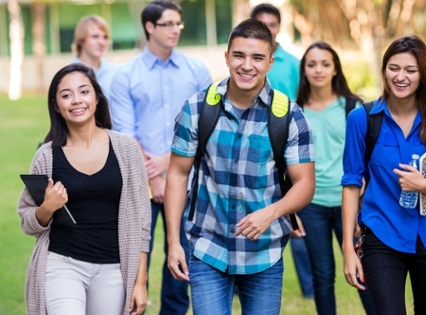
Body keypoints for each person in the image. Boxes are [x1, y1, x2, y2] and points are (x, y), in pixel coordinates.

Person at [163, 19, 315, 315]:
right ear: (227, 57)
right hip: (208, 248)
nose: (247, 66)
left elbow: (305, 184)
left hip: (265, 253)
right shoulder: (197, 108)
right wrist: (173, 242)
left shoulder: (289, 116)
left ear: (270, 62)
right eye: (239, 56)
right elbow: (178, 174)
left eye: (258, 57)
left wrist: (270, 213)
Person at [341, 35, 426, 315]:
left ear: (423, 74)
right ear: (384, 70)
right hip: (381, 234)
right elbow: (350, 183)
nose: (401, 76)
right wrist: (348, 248)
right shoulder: (362, 119)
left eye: (410, 70)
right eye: (394, 68)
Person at [17, 63, 150, 315]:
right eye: (66, 95)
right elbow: (27, 220)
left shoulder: (126, 149)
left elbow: (143, 222)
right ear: (56, 105)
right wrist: (47, 207)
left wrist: (140, 282)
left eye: (84, 92)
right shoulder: (46, 156)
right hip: (62, 264)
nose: (76, 100)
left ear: (97, 98)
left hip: (113, 269)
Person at [108, 1, 212, 314]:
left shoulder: (197, 71)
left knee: (180, 266)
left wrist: (170, 164)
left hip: (188, 184)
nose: (175, 30)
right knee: (132, 263)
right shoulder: (125, 75)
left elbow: (206, 125)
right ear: (149, 27)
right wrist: (154, 178)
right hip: (137, 186)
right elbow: (125, 135)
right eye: (168, 24)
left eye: (178, 24)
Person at [295, 41, 376, 315]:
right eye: (312, 64)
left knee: (362, 270)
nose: (318, 70)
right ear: (303, 70)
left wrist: (363, 201)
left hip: (349, 202)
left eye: (325, 64)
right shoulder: (294, 111)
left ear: (335, 69)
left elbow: (370, 156)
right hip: (311, 204)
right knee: (322, 275)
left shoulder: (353, 107)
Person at [251, 2, 313, 299]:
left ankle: (309, 288)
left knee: (295, 217)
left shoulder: (292, 63)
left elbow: (303, 102)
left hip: (288, 148)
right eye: (261, 24)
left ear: (278, 27)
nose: (268, 29)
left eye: (272, 24)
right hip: (256, 151)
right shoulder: (248, 63)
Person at [71, 15, 117, 98]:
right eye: (95, 36)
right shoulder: (67, 74)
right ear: (81, 40)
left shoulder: (115, 72)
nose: (101, 42)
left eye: (105, 37)